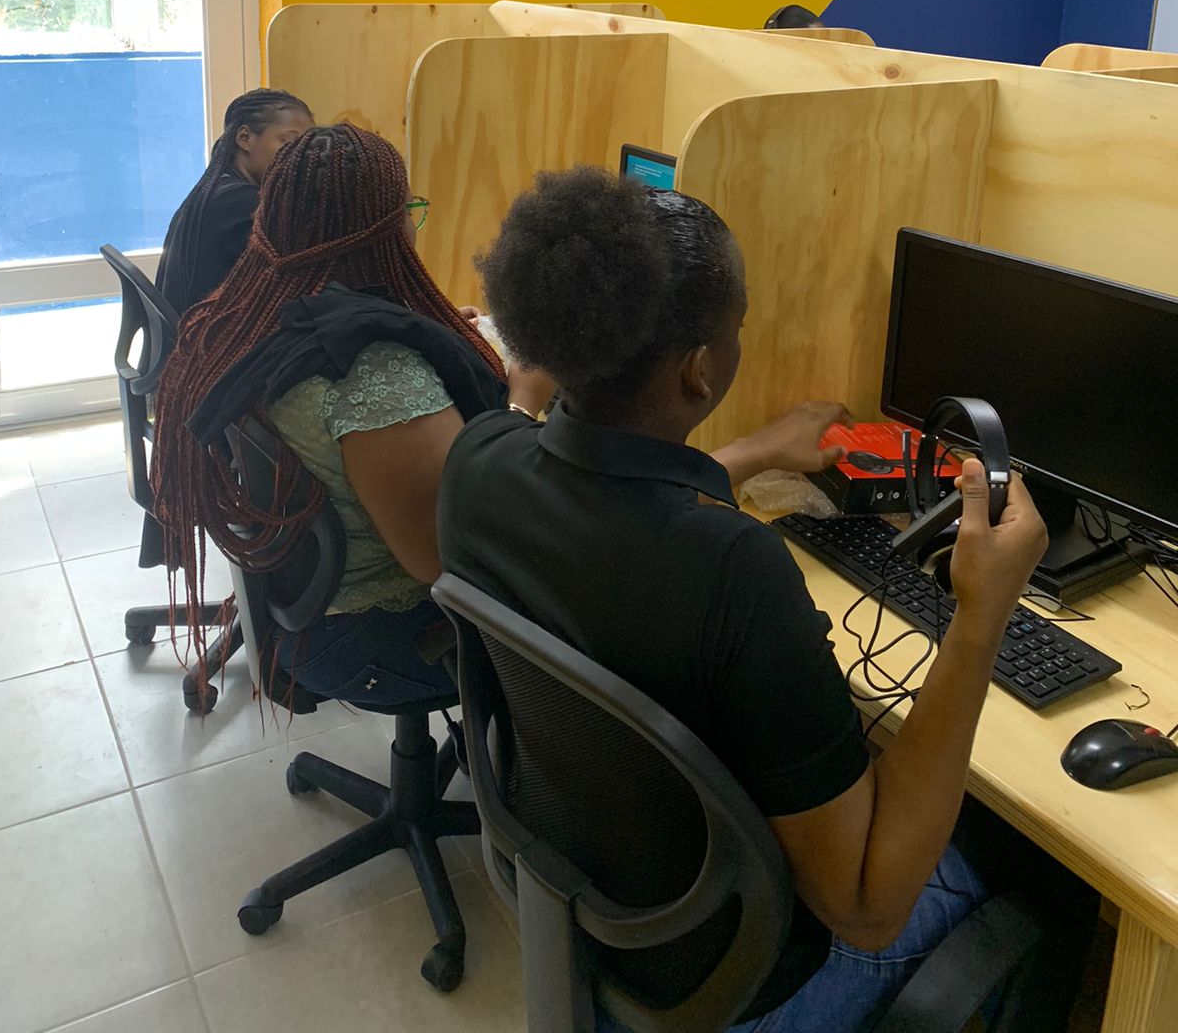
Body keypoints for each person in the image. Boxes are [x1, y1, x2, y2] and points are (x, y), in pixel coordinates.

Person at [438, 167, 1094, 1032]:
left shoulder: (477, 462)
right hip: (735, 985)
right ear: (701, 369)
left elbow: (604, 487)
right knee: (1046, 874)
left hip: (600, 905)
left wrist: (749, 453)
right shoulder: (731, 568)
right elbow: (865, 907)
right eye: (737, 328)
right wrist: (981, 615)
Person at [150, 124, 554, 706]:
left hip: (303, 603)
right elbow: (446, 558)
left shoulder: (242, 312)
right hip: (376, 637)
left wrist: (436, 338)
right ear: (383, 231)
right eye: (409, 210)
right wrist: (525, 400)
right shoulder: (374, 372)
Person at [155, 87, 314, 316]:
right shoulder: (245, 204)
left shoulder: (218, 187)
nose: (301, 155)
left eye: (308, 146)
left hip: (192, 328)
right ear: (244, 138)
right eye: (288, 142)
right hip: (212, 334)